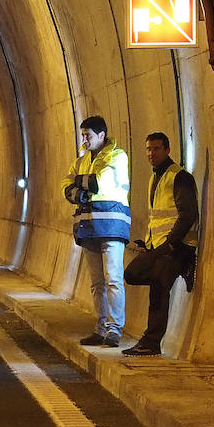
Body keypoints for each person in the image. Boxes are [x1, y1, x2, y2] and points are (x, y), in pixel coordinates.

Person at [122, 132, 198, 356]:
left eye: (156, 149)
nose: (151, 153)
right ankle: (150, 341)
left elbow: (188, 214)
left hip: (177, 246)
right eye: (148, 149)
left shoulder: (179, 176)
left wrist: (172, 245)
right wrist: (148, 242)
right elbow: (158, 217)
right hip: (159, 246)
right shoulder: (155, 177)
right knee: (132, 274)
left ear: (167, 150)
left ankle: (151, 342)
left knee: (159, 289)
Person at [62, 115, 131, 348]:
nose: (84, 139)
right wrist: (76, 189)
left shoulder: (117, 156)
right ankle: (100, 329)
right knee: (96, 283)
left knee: (113, 279)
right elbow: (66, 183)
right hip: (88, 227)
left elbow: (97, 182)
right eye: (83, 135)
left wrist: (79, 186)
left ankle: (114, 329)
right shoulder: (81, 161)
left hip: (112, 226)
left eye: (88, 135)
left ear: (102, 135)